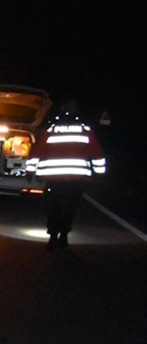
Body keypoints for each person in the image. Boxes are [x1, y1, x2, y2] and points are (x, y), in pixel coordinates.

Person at [27, 100, 106, 249]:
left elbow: (36, 153)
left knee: (53, 207)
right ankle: (64, 236)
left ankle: (52, 237)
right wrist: (99, 174)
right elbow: (97, 155)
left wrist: (30, 171)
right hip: (76, 179)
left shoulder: (49, 130)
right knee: (70, 207)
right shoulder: (86, 131)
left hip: (54, 179)